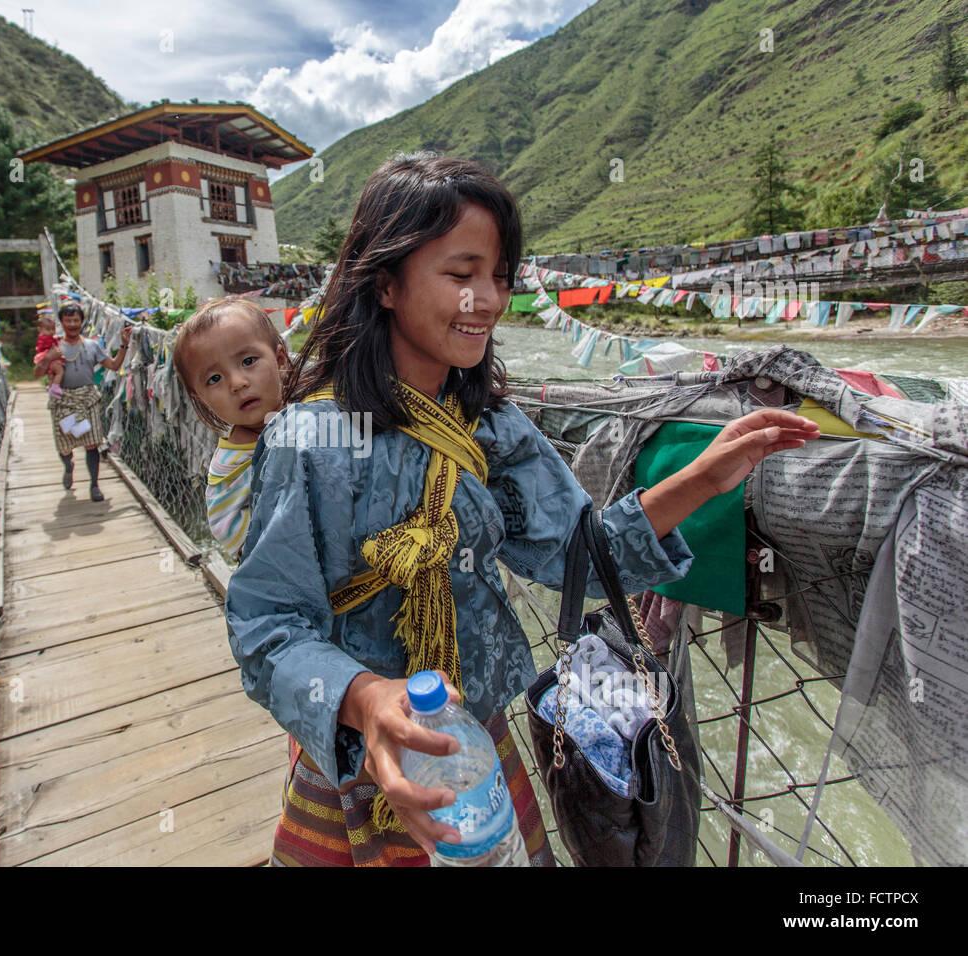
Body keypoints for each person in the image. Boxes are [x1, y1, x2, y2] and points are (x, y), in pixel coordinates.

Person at [224, 152, 820, 867]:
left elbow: (580, 560)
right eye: (461, 274)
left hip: (477, 745)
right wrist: (363, 700)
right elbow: (266, 626)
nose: (490, 299)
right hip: (362, 762)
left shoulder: (492, 428)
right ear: (384, 283)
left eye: (500, 278)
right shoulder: (308, 440)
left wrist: (702, 478)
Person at [171, 298, 288, 559]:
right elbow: (233, 536)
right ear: (202, 399)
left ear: (280, 359)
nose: (236, 383)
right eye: (214, 379)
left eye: (248, 361)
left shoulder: (319, 408)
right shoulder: (231, 466)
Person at [34, 302, 131, 502]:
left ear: (82, 322)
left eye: (75, 320)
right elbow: (37, 374)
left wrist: (124, 345)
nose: (72, 324)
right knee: (64, 446)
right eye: (67, 320)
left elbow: (113, 365)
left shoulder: (92, 346)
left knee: (92, 444)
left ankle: (94, 485)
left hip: (87, 401)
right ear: (61, 322)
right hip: (64, 403)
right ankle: (68, 464)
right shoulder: (52, 346)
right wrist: (48, 358)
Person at [35, 311, 66, 398]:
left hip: (48, 358)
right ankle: (55, 387)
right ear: (40, 329)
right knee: (60, 371)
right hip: (51, 358)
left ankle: (51, 387)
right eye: (48, 330)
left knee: (52, 374)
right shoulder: (45, 338)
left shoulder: (44, 337)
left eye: (53, 329)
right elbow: (52, 346)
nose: (51, 332)